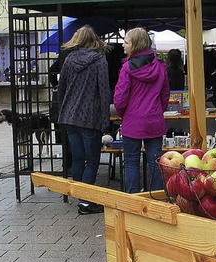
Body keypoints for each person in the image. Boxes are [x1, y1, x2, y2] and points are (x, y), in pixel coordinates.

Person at [56, 25, 111, 215]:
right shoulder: (100, 61)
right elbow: (104, 92)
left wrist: (63, 109)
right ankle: (87, 202)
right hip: (90, 117)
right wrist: (106, 121)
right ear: (93, 39)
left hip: (70, 116)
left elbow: (61, 88)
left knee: (78, 160)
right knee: (92, 160)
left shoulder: (69, 59)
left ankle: (81, 198)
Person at [114, 27, 169, 194]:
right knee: (155, 163)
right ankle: (157, 200)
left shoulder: (127, 69)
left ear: (135, 45)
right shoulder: (160, 67)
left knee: (131, 162)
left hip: (133, 121)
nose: (123, 45)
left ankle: (133, 200)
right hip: (154, 121)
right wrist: (158, 111)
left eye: (126, 42)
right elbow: (164, 95)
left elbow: (120, 97)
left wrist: (123, 114)